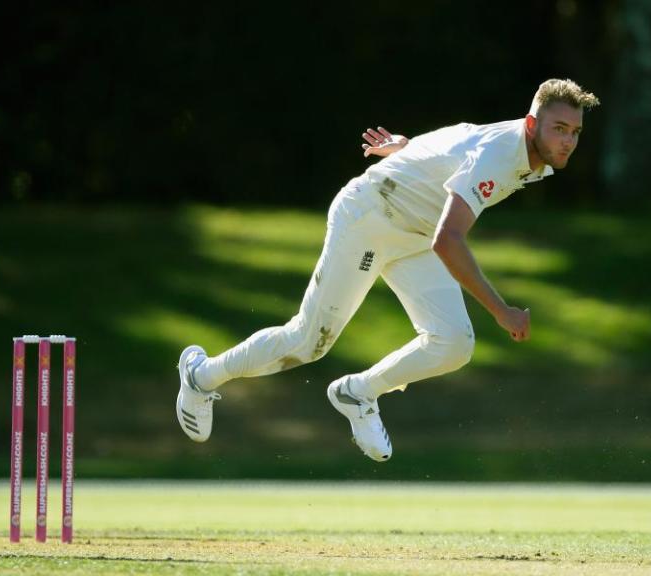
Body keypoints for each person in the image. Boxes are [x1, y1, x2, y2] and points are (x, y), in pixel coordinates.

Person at [176, 78, 600, 461]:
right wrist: (500, 310)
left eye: (574, 132)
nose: (567, 141)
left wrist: (409, 151)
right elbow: (448, 241)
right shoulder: (501, 154)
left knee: (453, 343)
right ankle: (200, 376)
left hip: (415, 234)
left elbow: (459, 141)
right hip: (370, 216)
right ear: (531, 123)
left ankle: (357, 393)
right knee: (309, 342)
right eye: (558, 129)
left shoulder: (536, 160)